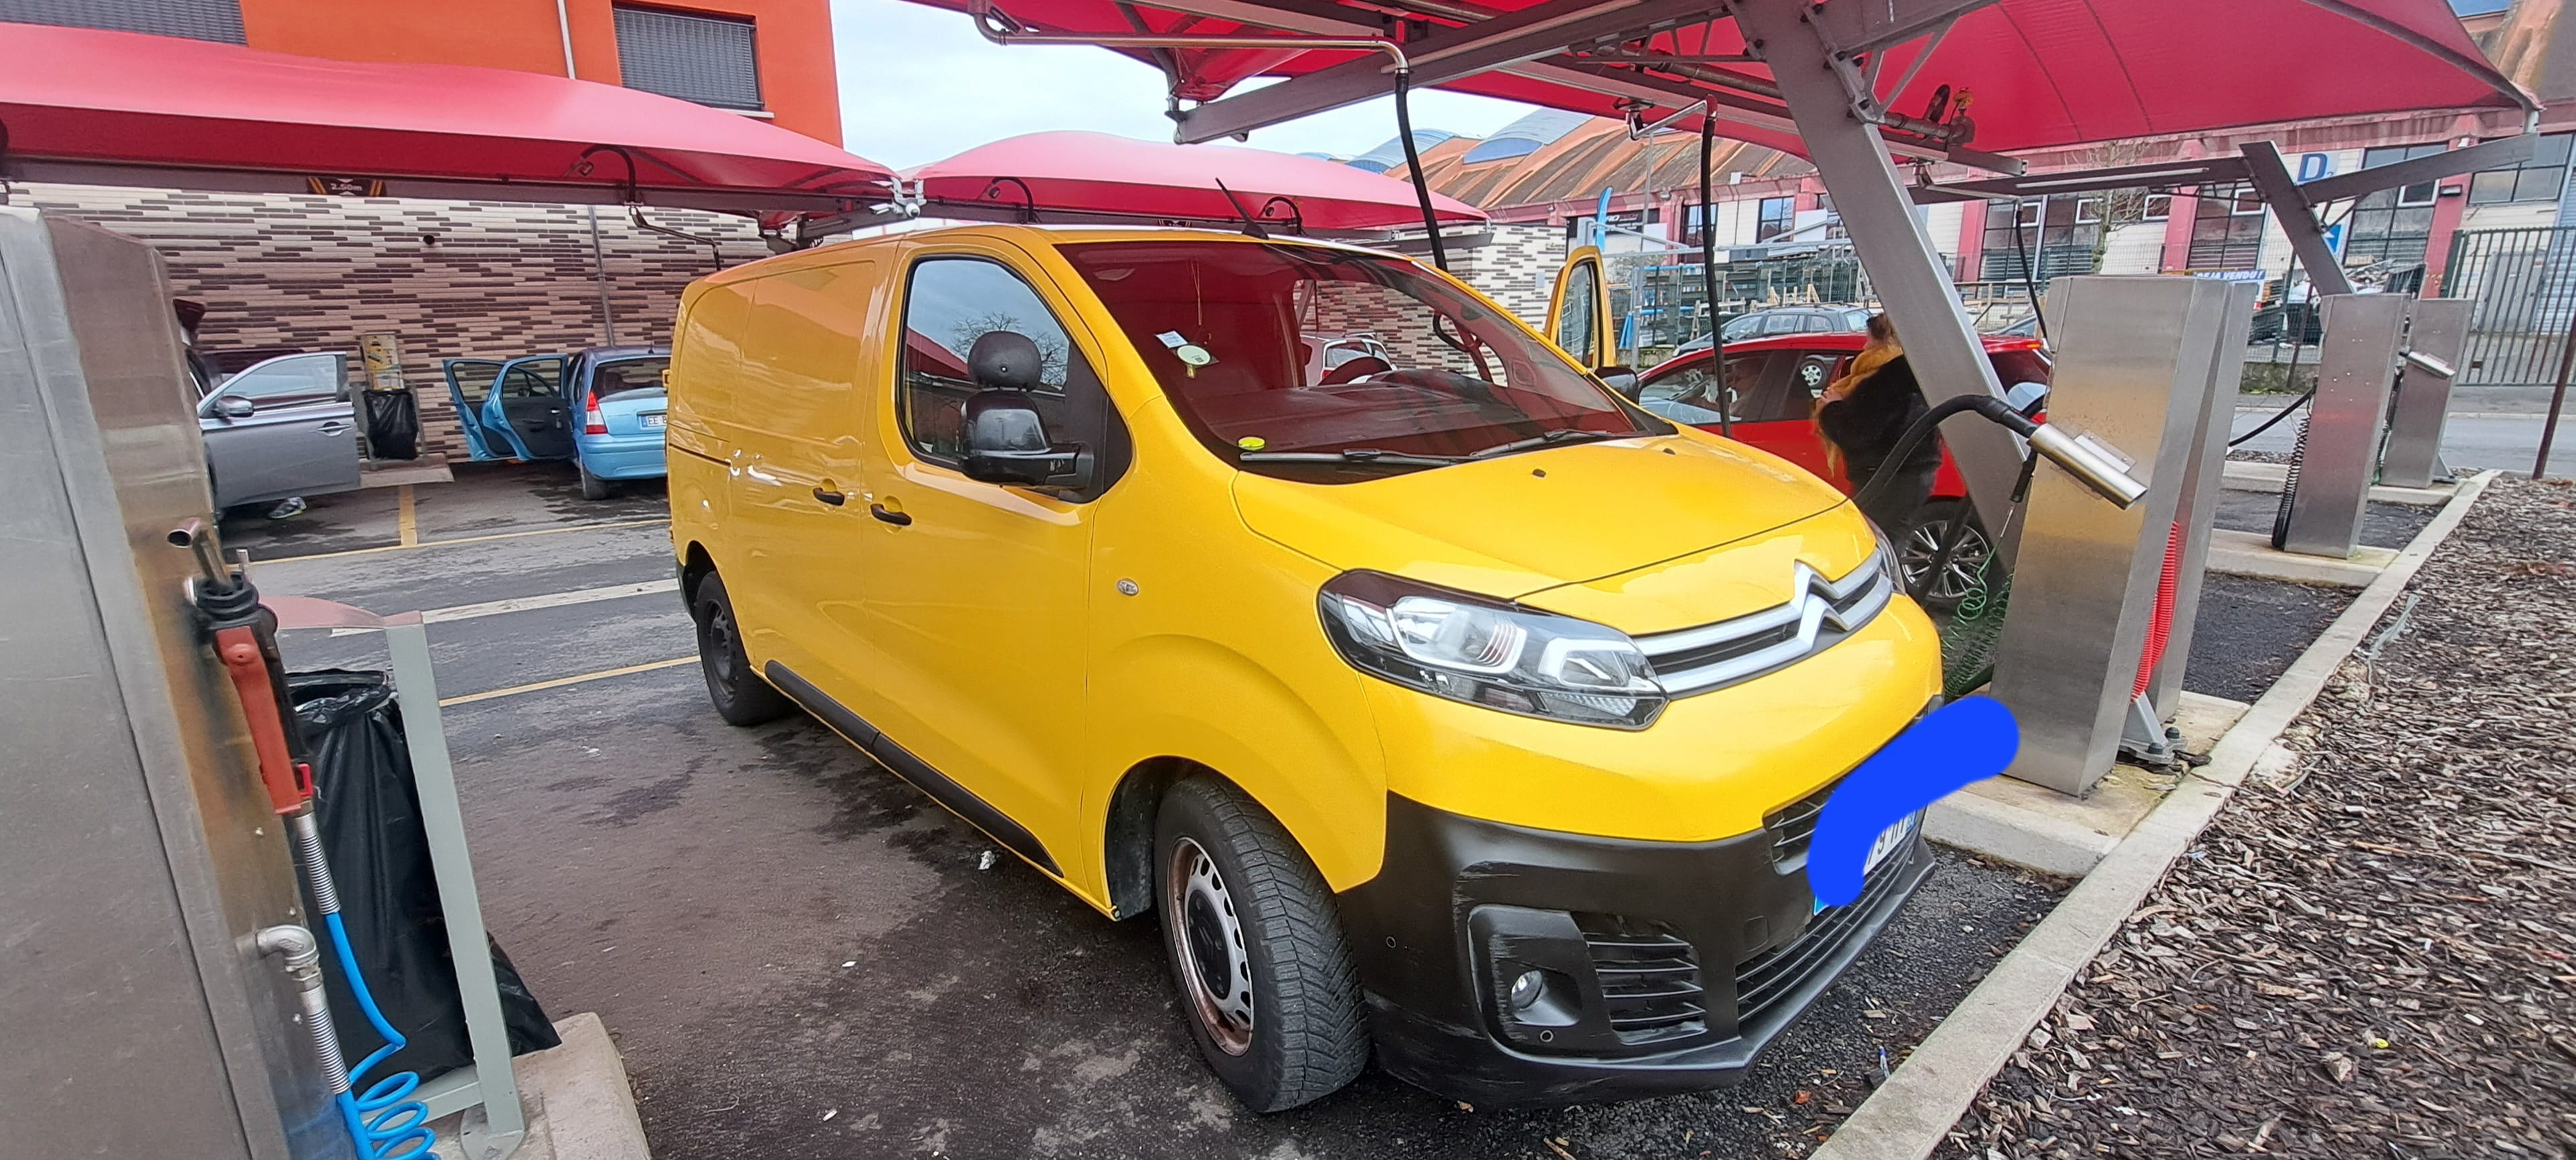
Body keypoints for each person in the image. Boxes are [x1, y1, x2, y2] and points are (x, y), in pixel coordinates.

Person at [1816, 314, 1942, 537]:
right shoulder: (1915, 371)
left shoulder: (1887, 378)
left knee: (1873, 540)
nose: (1865, 347)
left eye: (1869, 340)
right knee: (1893, 537)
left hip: (1886, 478)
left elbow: (1856, 432)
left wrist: (1831, 409)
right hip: (1912, 472)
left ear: (1885, 340)